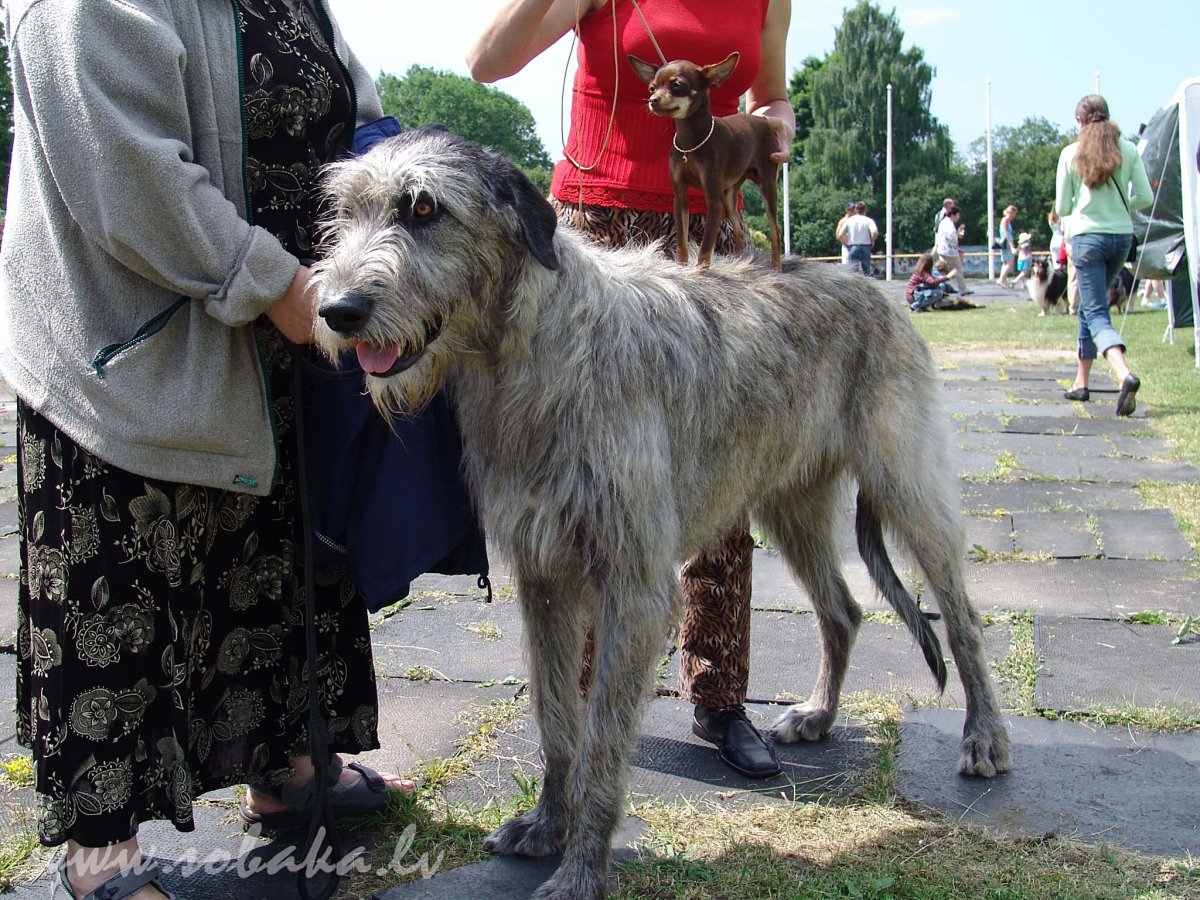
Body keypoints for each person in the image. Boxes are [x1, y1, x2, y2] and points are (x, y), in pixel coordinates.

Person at [1, 1, 417, 897]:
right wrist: (274, 284)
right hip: (131, 355)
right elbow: (128, 174)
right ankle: (101, 856)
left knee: (275, 565)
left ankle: (293, 772)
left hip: (286, 334)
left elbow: (357, 114)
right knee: (118, 593)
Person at [469, 0, 795, 779]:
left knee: (724, 467)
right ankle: (581, 700)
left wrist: (776, 125)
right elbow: (488, 62)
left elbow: (771, 96)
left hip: (708, 237)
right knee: (580, 481)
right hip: (597, 228)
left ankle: (720, 694)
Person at [1055, 94, 1153, 415]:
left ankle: (1123, 374)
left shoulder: (1071, 153)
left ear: (1079, 121)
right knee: (1089, 306)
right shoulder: (1128, 150)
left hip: (1087, 240)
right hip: (1120, 238)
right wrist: (1120, 208)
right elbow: (1145, 197)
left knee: (1096, 312)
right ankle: (1081, 382)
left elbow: (1063, 207)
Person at [934, 204, 971, 295]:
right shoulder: (949, 224)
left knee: (942, 270)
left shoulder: (942, 222)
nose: (958, 218)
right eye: (957, 215)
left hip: (941, 249)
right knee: (957, 268)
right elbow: (951, 237)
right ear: (953, 215)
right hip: (950, 251)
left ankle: (942, 288)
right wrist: (957, 247)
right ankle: (962, 289)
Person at [838, 200, 879, 276]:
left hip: (853, 246)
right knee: (866, 271)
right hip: (866, 246)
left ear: (856, 209)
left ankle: (854, 283)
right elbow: (875, 232)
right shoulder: (868, 220)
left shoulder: (849, 220)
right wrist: (872, 240)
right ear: (865, 209)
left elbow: (840, 235)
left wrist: (846, 244)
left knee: (852, 271)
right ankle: (867, 282)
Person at [994, 204, 1019, 288]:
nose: (1014, 216)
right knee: (1010, 262)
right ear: (1011, 213)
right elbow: (1005, 232)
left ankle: (1003, 280)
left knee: (1005, 262)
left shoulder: (1006, 220)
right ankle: (1001, 279)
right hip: (1007, 241)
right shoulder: (1005, 220)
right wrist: (1011, 245)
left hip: (1005, 241)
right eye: (1014, 214)